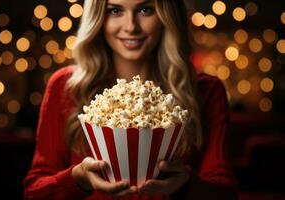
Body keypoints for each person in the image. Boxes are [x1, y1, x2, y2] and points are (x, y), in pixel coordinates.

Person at [24, 0, 238, 199]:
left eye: (146, 10)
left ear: (167, 15)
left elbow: (226, 193)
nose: (131, 27)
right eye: (115, 11)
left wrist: (186, 183)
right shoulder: (65, 86)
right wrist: (77, 178)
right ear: (98, 17)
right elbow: (34, 191)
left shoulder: (205, 90)